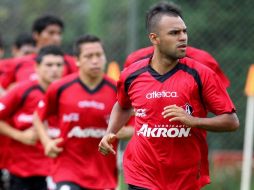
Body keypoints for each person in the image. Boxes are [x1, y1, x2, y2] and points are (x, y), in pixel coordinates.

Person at [98, 2, 239, 190]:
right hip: (141, 173)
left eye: (184, 32)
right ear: (154, 38)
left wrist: (193, 121)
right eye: (174, 33)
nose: (183, 38)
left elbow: (232, 121)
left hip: (185, 176)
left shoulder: (201, 73)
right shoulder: (131, 74)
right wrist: (110, 132)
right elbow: (122, 105)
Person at [33, 34, 131, 190]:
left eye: (99, 55)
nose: (95, 60)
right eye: (89, 56)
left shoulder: (118, 91)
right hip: (67, 172)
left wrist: (114, 132)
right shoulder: (60, 88)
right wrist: (47, 143)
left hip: (104, 176)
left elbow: (136, 127)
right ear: (77, 60)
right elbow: (38, 116)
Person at [0, 45, 65, 190]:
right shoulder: (22, 90)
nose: (54, 69)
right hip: (22, 172)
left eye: (59, 65)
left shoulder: (69, 93)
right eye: (49, 65)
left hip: (58, 171)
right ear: (37, 67)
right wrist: (19, 135)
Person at [123, 3, 229, 89]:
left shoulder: (203, 60)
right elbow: (123, 104)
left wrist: (192, 115)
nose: (182, 37)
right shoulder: (134, 60)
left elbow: (222, 103)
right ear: (153, 35)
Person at [0, 15, 77, 90]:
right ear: (36, 35)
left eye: (59, 34)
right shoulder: (19, 63)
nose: (56, 38)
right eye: (51, 33)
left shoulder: (71, 63)